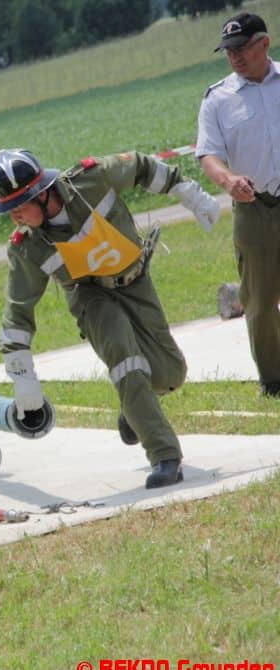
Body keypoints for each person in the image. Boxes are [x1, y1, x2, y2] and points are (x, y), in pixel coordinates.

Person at [0, 148, 220, 488]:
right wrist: (23, 380)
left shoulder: (92, 181)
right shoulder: (28, 246)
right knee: (126, 362)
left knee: (170, 375)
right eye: (9, 210)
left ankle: (134, 411)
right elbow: (16, 314)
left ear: (42, 193)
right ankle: (164, 456)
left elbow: (140, 165)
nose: (15, 217)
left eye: (20, 207)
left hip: (135, 280)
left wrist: (189, 194)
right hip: (91, 298)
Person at [196, 12, 280, 398]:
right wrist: (228, 180)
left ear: (264, 43)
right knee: (259, 301)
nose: (234, 57)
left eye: (241, 48)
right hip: (254, 207)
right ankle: (274, 379)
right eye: (228, 51)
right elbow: (208, 155)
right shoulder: (217, 100)